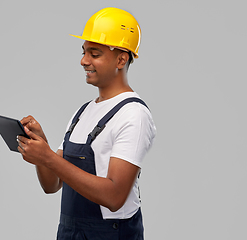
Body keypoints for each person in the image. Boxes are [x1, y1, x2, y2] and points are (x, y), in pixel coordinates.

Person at [16, 7, 156, 240]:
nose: (83, 61)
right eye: (84, 52)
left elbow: (114, 197)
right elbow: (51, 185)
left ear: (121, 59)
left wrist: (49, 158)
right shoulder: (82, 113)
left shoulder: (133, 115)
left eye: (95, 53)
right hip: (70, 233)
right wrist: (42, 147)